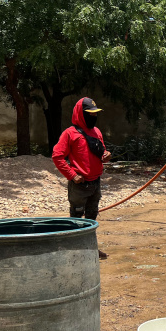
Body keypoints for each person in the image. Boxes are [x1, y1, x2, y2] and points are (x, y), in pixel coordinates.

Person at [52, 97, 112, 259]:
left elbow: (101, 152)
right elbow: (57, 156)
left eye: (95, 114)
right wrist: (72, 175)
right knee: (77, 220)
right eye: (90, 114)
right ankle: (74, 252)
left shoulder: (97, 132)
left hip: (95, 183)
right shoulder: (69, 134)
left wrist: (105, 156)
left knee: (91, 218)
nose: (93, 117)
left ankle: (91, 249)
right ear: (81, 114)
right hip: (80, 185)